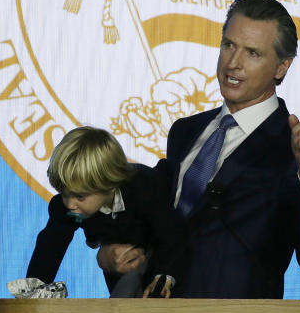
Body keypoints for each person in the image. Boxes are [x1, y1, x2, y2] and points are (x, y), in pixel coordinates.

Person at [98, 0, 300, 298]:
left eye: (252, 53)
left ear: (281, 67)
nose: (233, 63)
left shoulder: (297, 156)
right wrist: (110, 252)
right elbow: (157, 222)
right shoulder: (185, 132)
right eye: (229, 45)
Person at [26, 126, 186, 297]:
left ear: (108, 186)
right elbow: (50, 247)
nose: (70, 204)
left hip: (165, 252)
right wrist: (35, 290)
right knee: (122, 300)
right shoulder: (65, 207)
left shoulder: (145, 187)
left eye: (80, 197)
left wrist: (165, 276)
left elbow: (173, 234)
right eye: (64, 194)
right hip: (121, 265)